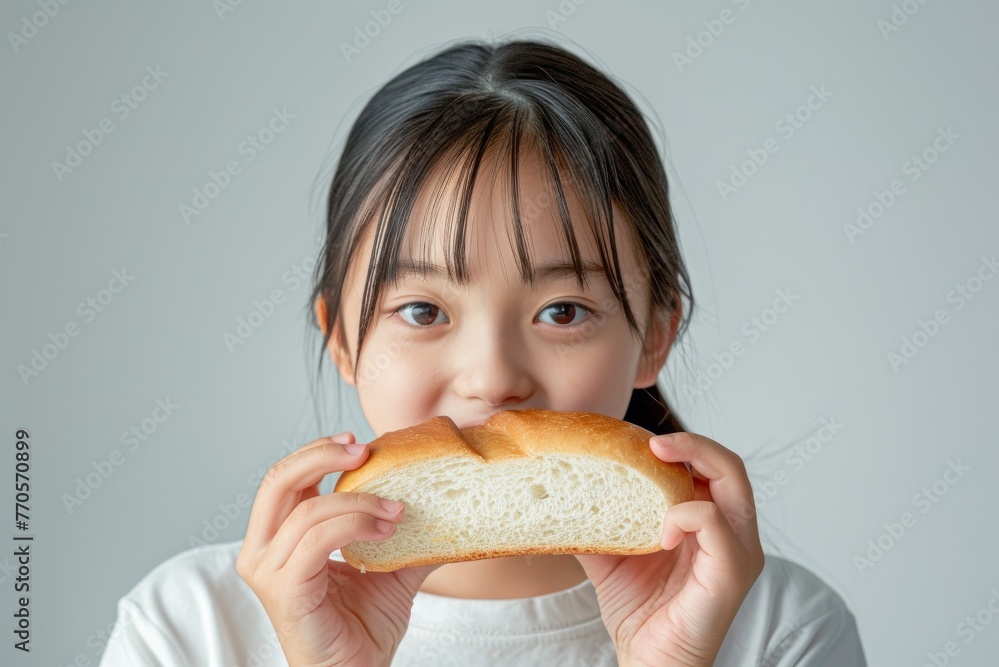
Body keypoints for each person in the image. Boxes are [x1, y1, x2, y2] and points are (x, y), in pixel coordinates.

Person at [100, 37, 867, 666]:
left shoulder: (776, 629)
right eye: (423, 309)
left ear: (655, 335)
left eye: (563, 310)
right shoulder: (190, 627)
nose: (494, 376)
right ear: (341, 338)